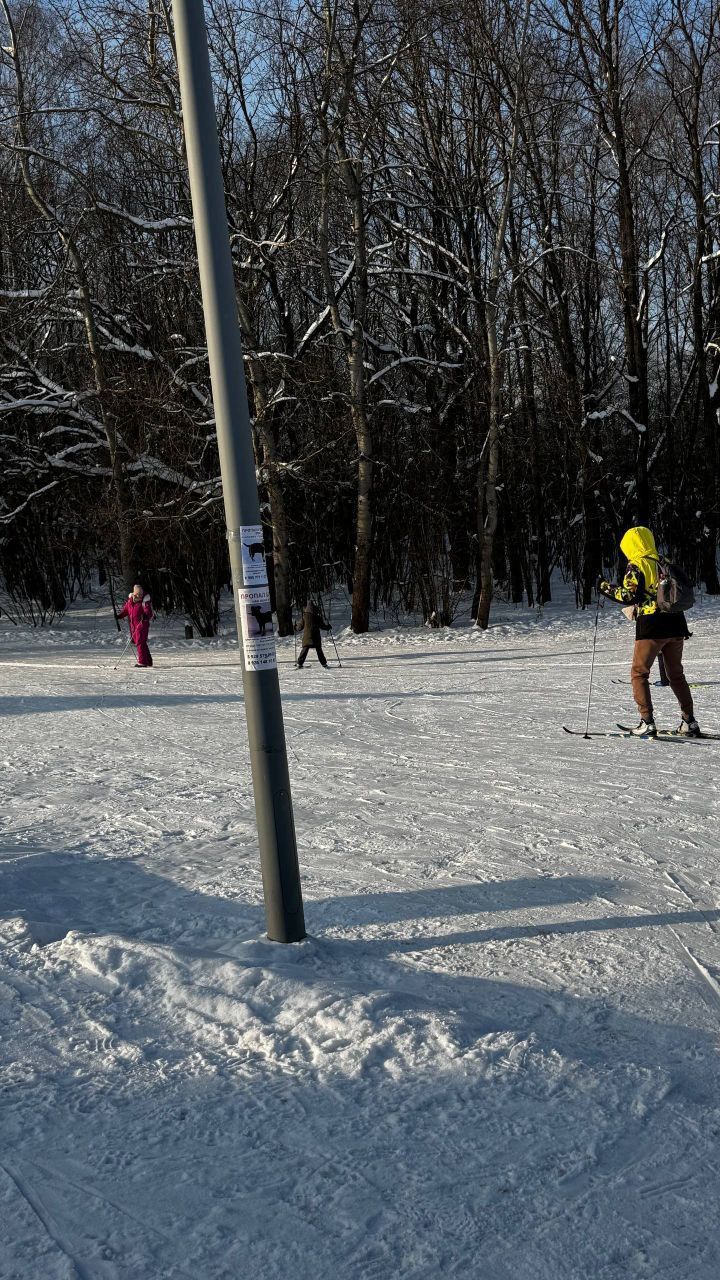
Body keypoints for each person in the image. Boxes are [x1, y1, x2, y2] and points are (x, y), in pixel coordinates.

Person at [599, 526, 699, 737]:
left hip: (652, 626)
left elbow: (629, 596)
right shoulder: (663, 561)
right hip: (676, 622)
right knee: (676, 674)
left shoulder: (637, 564)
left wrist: (605, 587)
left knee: (639, 673)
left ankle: (647, 721)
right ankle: (689, 721)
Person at [118, 583, 154, 668]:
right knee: (142, 643)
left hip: (142, 624)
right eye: (138, 594)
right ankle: (148, 661)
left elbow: (148, 611)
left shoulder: (145, 600)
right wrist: (119, 616)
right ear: (135, 593)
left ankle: (142, 662)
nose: (140, 595)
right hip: (134, 626)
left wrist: (146, 616)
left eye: (141, 593)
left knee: (140, 642)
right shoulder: (130, 601)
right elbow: (126, 610)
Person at [295, 601, 331, 669]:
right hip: (316, 637)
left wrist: (295, 627)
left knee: (305, 650)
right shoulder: (318, 617)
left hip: (307, 637)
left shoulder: (304, 617)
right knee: (319, 651)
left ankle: (299, 664)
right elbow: (323, 626)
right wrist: (328, 627)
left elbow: (299, 628)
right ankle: (324, 664)